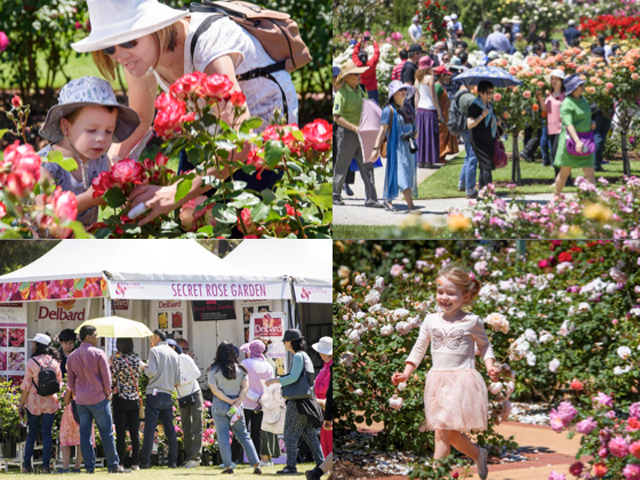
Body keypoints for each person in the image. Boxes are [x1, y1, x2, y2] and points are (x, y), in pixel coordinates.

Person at [72, 0, 299, 226]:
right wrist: (112, 165)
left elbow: (240, 145)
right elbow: (140, 119)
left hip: (261, 131)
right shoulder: (137, 56)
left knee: (239, 226)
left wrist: (175, 193)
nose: (120, 57)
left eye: (129, 41)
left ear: (155, 27)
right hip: (205, 126)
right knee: (188, 219)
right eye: (110, 47)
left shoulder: (209, 44)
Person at [391, 264, 501, 480]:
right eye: (440, 292)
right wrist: (406, 373)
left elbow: (485, 346)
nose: (444, 297)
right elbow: (419, 348)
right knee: (448, 434)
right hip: (437, 382)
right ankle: (479, 454)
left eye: (451, 293)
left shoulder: (472, 321)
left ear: (466, 295)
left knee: (442, 432)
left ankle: (437, 475)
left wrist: (490, 366)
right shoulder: (431, 320)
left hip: (462, 381)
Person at [37, 77, 140, 227]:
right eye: (92, 130)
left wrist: (130, 196)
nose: (101, 138)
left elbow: (123, 202)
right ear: (66, 127)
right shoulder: (46, 166)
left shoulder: (102, 162)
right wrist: (88, 199)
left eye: (108, 131)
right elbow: (46, 217)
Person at [266, 330, 324, 474]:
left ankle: (291, 466)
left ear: (291, 342)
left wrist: (276, 379)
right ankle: (322, 463)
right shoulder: (304, 356)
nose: (284, 344)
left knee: (290, 434)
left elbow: (293, 377)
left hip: (297, 402)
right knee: (309, 434)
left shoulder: (298, 356)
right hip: (308, 401)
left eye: (285, 341)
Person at [66, 325, 121, 473]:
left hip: (82, 400)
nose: (98, 337)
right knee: (107, 432)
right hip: (98, 398)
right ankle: (113, 465)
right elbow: (106, 377)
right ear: (88, 337)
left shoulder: (72, 356)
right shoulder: (98, 353)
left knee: (84, 434)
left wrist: (77, 394)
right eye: (96, 335)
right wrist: (107, 393)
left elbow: (70, 381)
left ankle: (89, 467)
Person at [207, 341, 262, 474]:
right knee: (243, 435)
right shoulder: (241, 369)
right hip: (236, 404)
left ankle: (228, 467)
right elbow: (246, 387)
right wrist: (237, 402)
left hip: (220, 404)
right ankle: (256, 465)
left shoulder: (213, 369)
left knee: (223, 437)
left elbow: (214, 390)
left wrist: (227, 400)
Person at [333, 60, 382, 208]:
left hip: (363, 133)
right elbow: (336, 117)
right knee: (342, 165)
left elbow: (367, 108)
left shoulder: (362, 89)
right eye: (355, 74)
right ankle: (335, 195)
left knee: (367, 165)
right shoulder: (341, 94)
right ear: (347, 77)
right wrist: (354, 128)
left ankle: (371, 199)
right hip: (347, 133)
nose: (359, 76)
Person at [369, 81, 419, 213]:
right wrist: (375, 148)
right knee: (405, 175)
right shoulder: (388, 110)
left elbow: (414, 126)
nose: (403, 92)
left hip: (409, 147)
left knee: (402, 174)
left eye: (404, 89)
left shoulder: (409, 108)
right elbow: (382, 131)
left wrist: (415, 132)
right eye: (399, 90)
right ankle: (411, 207)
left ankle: (387, 199)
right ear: (393, 94)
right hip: (397, 148)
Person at [19, 334, 62, 474]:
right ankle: (45, 466)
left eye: (34, 343)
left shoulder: (32, 362)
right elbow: (59, 383)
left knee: (32, 434)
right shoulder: (55, 362)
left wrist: (21, 404)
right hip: (50, 402)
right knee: (47, 434)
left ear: (38, 345)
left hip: (34, 403)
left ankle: (26, 465)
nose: (32, 346)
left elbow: (26, 385)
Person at [139, 329, 181, 469]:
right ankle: (173, 462)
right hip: (167, 394)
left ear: (157, 338)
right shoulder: (175, 354)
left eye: (151, 338)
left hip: (154, 393)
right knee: (170, 430)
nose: (151, 341)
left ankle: (145, 462)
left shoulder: (154, 351)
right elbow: (177, 381)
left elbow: (151, 372)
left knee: (150, 429)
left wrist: (143, 366)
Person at [554, 74, 597, 194]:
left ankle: (594, 200)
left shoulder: (584, 100)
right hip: (571, 142)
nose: (583, 87)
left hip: (586, 140)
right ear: (573, 88)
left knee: (589, 171)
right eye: (580, 85)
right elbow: (569, 125)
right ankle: (556, 198)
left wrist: (591, 121)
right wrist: (577, 142)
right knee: (564, 173)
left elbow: (586, 115)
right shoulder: (566, 104)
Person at [167, 338, 203, 469]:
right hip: (182, 397)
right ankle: (189, 458)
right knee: (186, 428)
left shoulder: (184, 357)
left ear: (173, 348)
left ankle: (196, 458)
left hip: (194, 393)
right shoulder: (169, 362)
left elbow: (197, 373)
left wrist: (182, 381)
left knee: (196, 426)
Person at [240, 339, 275, 467]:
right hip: (261, 404)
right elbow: (271, 385)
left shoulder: (244, 364)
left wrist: (254, 397)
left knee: (242, 431)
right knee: (257, 433)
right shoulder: (269, 366)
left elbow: (243, 384)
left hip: (246, 402)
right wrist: (261, 398)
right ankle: (256, 460)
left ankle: (237, 459)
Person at [110, 337, 143, 471]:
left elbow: (112, 379)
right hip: (134, 398)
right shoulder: (137, 359)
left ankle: (121, 463)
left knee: (121, 432)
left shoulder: (118, 360)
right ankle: (135, 463)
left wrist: (110, 364)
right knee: (135, 432)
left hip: (121, 398)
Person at [536, 70, 570, 183]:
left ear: (561, 81)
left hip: (563, 129)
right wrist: (541, 99)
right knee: (556, 155)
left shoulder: (565, 95)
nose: (554, 81)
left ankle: (560, 180)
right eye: (552, 79)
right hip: (551, 129)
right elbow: (545, 110)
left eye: (557, 79)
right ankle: (564, 180)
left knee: (558, 155)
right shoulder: (549, 95)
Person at [468, 81, 500, 192]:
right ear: (480, 93)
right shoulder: (475, 106)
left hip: (489, 139)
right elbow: (470, 124)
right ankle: (490, 192)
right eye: (488, 92)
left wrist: (498, 121)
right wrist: (482, 116)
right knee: (487, 165)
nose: (490, 95)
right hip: (478, 140)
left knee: (483, 166)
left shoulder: (489, 105)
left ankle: (482, 194)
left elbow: (492, 120)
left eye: (492, 92)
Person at [255, 338, 282, 466]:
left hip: (263, 397)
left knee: (264, 429)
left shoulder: (262, 362)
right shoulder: (271, 362)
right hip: (272, 397)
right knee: (270, 428)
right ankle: (269, 458)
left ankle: (265, 459)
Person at [414, 56, 444, 169]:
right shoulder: (430, 78)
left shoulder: (417, 79)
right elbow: (433, 95)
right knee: (431, 135)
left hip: (420, 109)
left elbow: (416, 96)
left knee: (421, 136)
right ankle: (429, 161)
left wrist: (416, 110)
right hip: (430, 109)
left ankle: (420, 160)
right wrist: (439, 111)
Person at [455, 84, 480, 199]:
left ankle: (462, 184)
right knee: (472, 158)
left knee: (468, 157)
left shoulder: (459, 94)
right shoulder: (468, 97)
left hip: (463, 129)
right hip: (469, 129)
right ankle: (470, 190)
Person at [311, 337, 332, 457]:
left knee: (327, 435)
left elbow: (325, 387)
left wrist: (315, 386)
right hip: (322, 405)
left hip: (325, 404)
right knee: (324, 436)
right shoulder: (326, 365)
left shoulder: (330, 366)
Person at [435, 66, 459, 163]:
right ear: (441, 75)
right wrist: (439, 115)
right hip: (441, 115)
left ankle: (442, 155)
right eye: (446, 75)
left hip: (446, 115)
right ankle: (439, 156)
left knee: (444, 135)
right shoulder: (437, 86)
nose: (448, 78)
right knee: (441, 135)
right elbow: (435, 101)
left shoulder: (441, 85)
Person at [352, 37, 381, 104]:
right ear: (367, 57)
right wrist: (374, 41)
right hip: (373, 90)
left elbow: (354, 53)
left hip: (361, 90)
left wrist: (359, 42)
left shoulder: (357, 64)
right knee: (375, 110)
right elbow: (377, 53)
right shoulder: (371, 65)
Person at [401, 44, 425, 108]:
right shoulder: (409, 67)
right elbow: (407, 87)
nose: (422, 55)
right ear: (415, 54)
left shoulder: (413, 66)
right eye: (421, 53)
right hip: (411, 103)